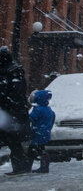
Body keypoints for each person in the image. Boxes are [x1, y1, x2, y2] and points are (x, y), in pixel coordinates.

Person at [0, 47, 30, 176]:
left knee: (14, 142)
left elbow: (13, 93)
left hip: (11, 113)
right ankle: (21, 166)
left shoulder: (11, 72)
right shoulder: (14, 71)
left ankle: (21, 167)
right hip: (12, 112)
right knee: (14, 142)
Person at [27, 89, 54, 174]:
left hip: (37, 133)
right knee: (42, 149)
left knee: (32, 150)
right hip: (45, 133)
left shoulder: (38, 109)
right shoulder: (49, 109)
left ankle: (27, 167)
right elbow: (52, 120)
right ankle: (44, 167)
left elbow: (31, 118)